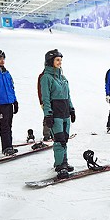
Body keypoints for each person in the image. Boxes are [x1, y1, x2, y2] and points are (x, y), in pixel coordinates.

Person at [40, 49, 75, 178]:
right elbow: (46, 98)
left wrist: (71, 109)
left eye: (60, 60)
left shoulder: (63, 78)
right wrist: (48, 114)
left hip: (65, 112)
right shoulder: (46, 78)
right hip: (56, 114)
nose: (60, 62)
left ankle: (63, 162)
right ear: (50, 61)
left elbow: (68, 95)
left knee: (65, 139)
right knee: (59, 140)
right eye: (57, 60)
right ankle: (60, 166)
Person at [37, 70, 53, 141]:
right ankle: (47, 135)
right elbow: (40, 90)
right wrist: (41, 102)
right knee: (47, 116)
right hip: (46, 101)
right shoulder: (43, 76)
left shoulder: (55, 75)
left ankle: (53, 134)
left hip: (55, 101)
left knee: (55, 117)